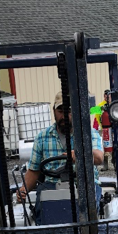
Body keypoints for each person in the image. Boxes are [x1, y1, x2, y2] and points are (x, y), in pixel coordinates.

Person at [17, 91, 104, 220]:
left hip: (83, 183)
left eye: (69, 111)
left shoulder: (88, 133)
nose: (65, 116)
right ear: (54, 111)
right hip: (51, 186)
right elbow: (34, 170)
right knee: (43, 216)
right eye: (60, 111)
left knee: (87, 215)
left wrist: (81, 155)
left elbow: (98, 157)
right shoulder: (42, 137)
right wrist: (24, 189)